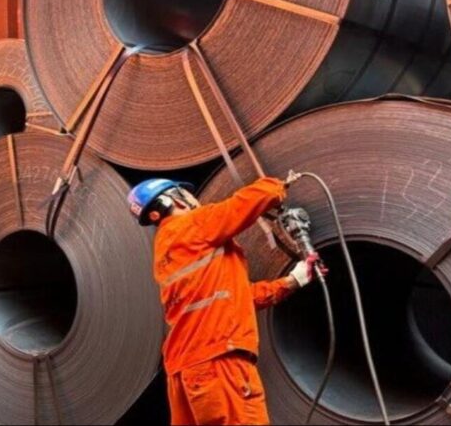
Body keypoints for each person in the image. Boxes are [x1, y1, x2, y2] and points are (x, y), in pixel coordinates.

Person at [127, 177, 325, 425]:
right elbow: (243, 204)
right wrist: (279, 184)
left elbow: (235, 298)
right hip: (218, 362)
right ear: (172, 199)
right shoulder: (193, 224)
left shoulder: (166, 250)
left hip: (184, 373)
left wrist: (291, 281)